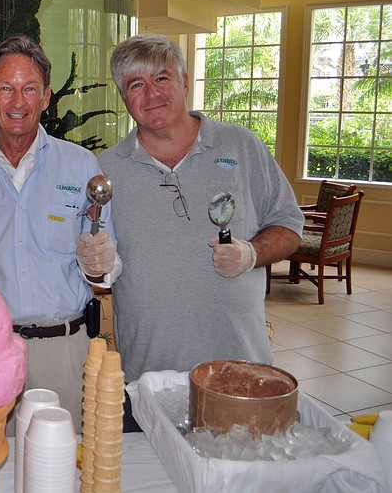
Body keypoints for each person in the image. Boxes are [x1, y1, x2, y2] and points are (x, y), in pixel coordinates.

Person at [0, 35, 123, 431]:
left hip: (64, 351)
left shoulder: (82, 167)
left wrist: (102, 264)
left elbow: (105, 270)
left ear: (46, 97)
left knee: (65, 470)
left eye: (29, 89)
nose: (18, 102)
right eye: (6, 89)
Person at [98, 33, 304, 386]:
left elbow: (289, 226)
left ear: (184, 82)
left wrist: (251, 253)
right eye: (136, 85)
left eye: (161, 78)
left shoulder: (241, 145)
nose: (151, 94)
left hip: (240, 362)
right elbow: (99, 263)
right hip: (151, 375)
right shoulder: (106, 169)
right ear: (124, 98)